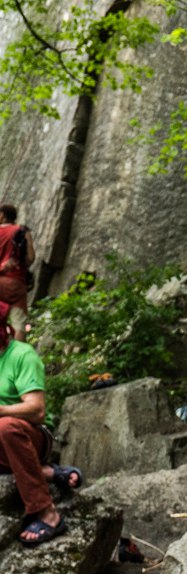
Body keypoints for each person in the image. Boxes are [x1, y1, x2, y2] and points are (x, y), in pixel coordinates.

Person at [0, 305, 84, 546]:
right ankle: (49, 472)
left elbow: (36, 410)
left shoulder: (21, 355)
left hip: (30, 436)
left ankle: (48, 513)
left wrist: (1, 410)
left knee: (5, 427)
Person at [0, 204, 35, 342]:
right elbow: (30, 258)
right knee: (19, 324)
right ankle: (17, 356)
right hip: (15, 282)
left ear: (2, 215)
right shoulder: (23, 231)